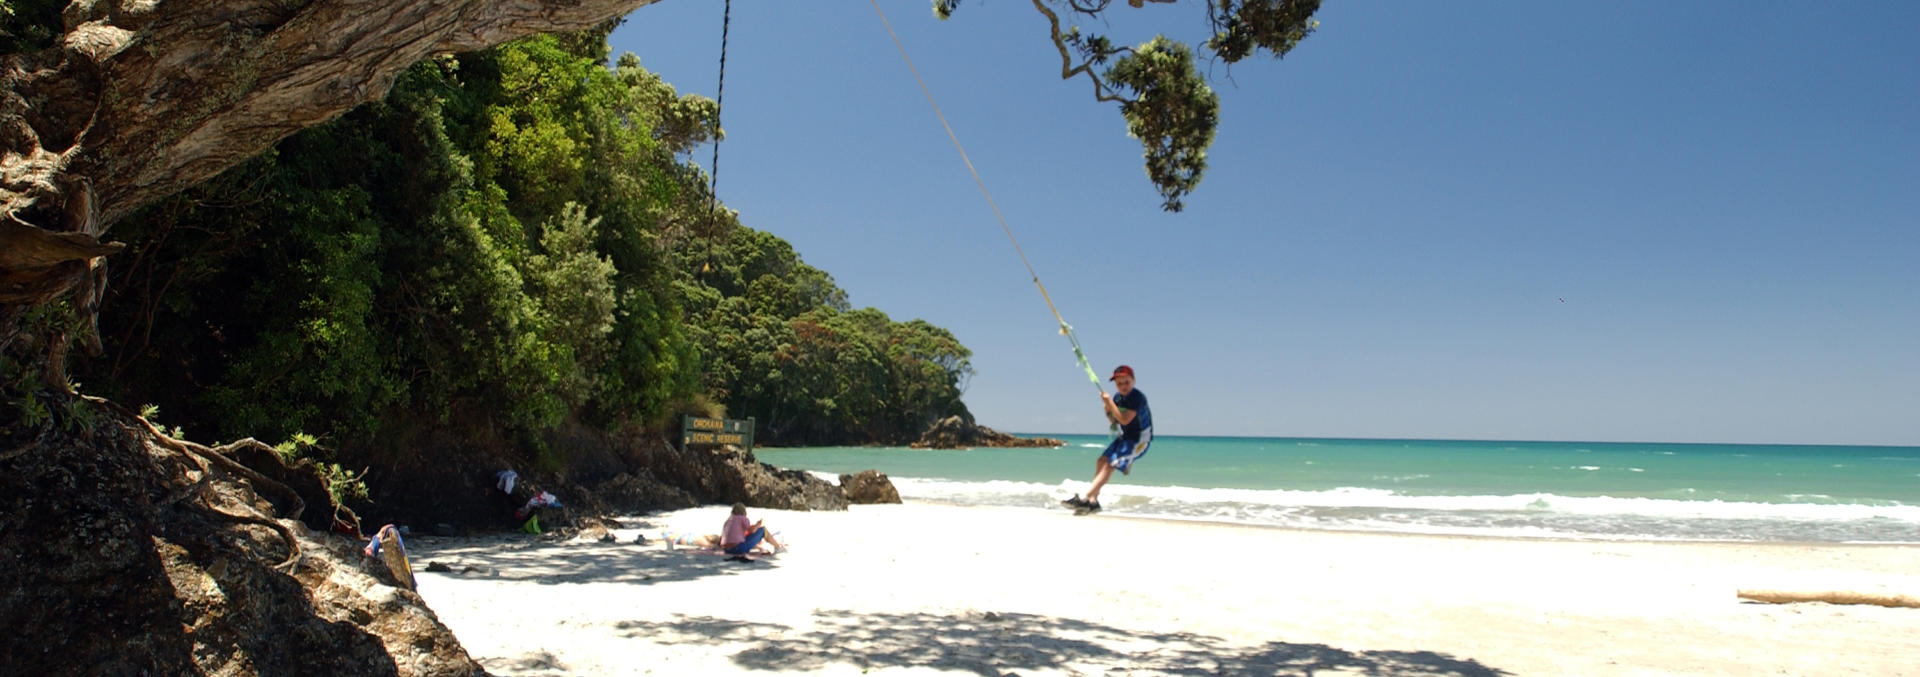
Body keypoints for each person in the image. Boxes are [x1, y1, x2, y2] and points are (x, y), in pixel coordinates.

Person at [1063, 364, 1152, 514]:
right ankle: (1093, 501)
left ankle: (1085, 497)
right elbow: (1114, 421)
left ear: (1133, 381)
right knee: (1101, 461)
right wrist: (1107, 409)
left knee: (1110, 465)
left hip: (1139, 440)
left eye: (1126, 382)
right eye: (1119, 383)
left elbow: (1124, 420)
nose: (1123, 386)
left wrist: (1110, 403)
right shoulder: (1118, 398)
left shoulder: (1138, 398)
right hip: (1125, 437)